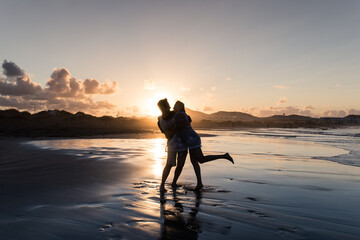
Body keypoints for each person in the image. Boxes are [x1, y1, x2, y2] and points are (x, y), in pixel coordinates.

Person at [170, 100, 233, 190]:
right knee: (194, 162)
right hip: (191, 139)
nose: (173, 108)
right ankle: (198, 183)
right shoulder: (183, 115)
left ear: (180, 107)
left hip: (192, 140)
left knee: (200, 159)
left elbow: (177, 126)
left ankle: (224, 156)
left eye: (175, 106)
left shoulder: (180, 115)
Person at [157, 99, 188, 192]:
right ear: (163, 107)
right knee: (169, 164)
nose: (170, 107)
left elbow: (186, 117)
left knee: (180, 164)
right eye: (168, 105)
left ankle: (174, 182)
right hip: (172, 144)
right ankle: (162, 185)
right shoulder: (160, 121)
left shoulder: (175, 114)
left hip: (182, 142)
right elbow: (167, 134)